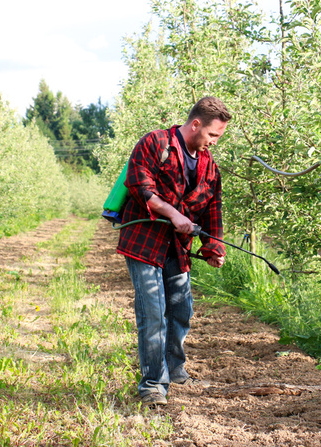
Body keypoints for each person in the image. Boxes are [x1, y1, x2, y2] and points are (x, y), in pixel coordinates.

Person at [117, 96, 231, 406]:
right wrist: (173, 214)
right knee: (154, 315)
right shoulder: (155, 143)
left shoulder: (209, 166)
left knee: (181, 310)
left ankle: (174, 370)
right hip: (144, 241)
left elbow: (213, 209)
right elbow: (140, 187)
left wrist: (213, 248)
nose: (214, 143)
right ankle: (153, 385)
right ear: (196, 124)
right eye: (212, 135)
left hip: (177, 248)